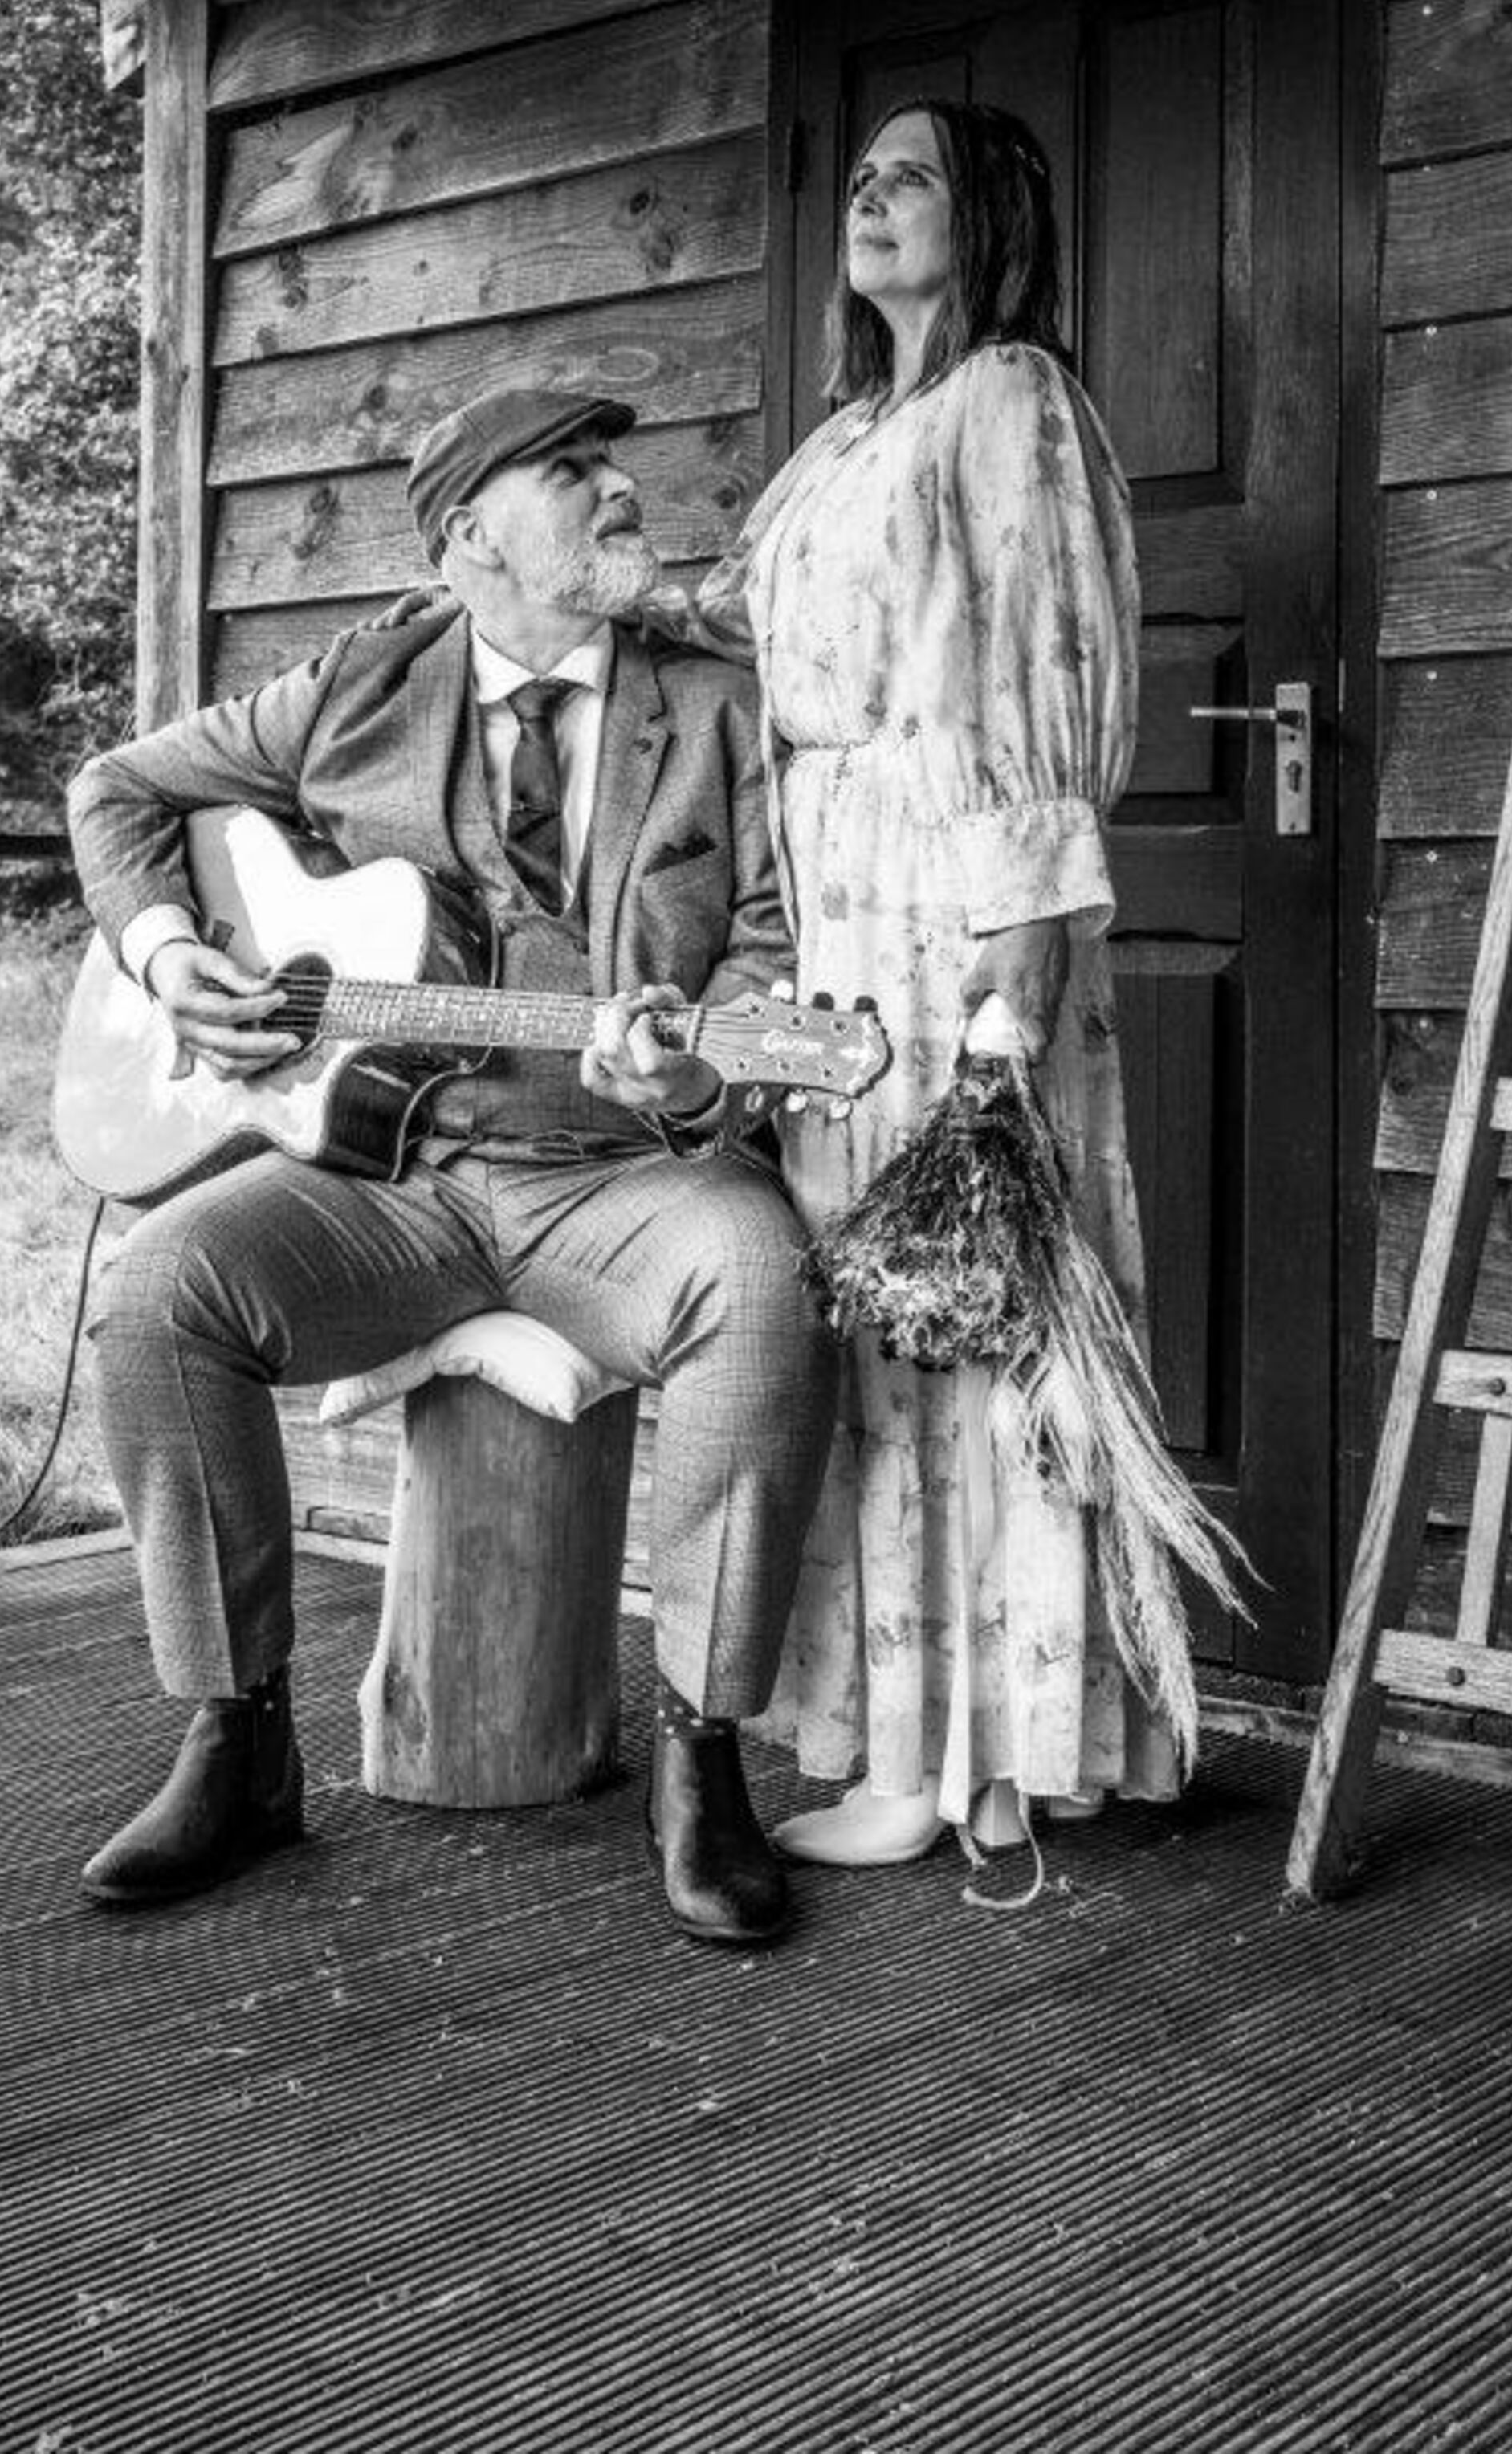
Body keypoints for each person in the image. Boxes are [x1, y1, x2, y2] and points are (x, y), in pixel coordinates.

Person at [66, 384, 836, 1946]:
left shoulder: (718, 704)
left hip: (625, 1174)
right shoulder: (361, 686)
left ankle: (701, 1756)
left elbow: (767, 953)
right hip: (394, 1175)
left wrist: (697, 1064)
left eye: (615, 460)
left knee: (763, 1279)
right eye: (573, 470)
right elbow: (119, 790)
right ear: (472, 535)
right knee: (158, 1288)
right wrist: (165, 952)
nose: (618, 486)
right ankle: (239, 1737)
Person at [658, 98, 1176, 1870]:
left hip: (953, 900)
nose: (871, 198)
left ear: (991, 215)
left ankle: (983, 1759)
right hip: (834, 903)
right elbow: (735, 626)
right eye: (861, 176)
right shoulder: (841, 441)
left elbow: (1045, 660)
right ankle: (895, 1726)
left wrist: (1017, 951)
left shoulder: (1010, 399)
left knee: (970, 1290)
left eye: (912, 177)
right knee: (867, 1295)